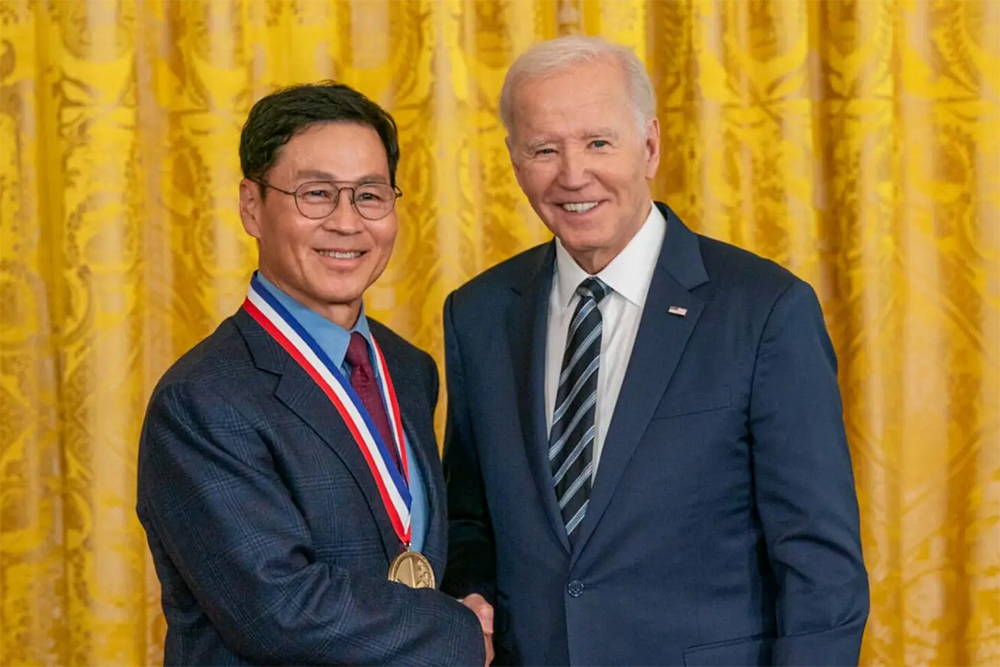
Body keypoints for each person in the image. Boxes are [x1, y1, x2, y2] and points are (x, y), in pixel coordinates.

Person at [441, 36, 869, 667]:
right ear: (514, 161)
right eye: (544, 149)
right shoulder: (478, 313)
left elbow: (819, 563)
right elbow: (470, 516)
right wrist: (468, 596)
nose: (572, 175)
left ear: (649, 145)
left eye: (597, 142)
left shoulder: (764, 309)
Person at [137, 82, 491, 666]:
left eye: (371, 196)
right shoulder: (201, 400)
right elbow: (277, 610)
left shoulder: (408, 368)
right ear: (252, 206)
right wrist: (458, 632)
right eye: (317, 194)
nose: (347, 223)